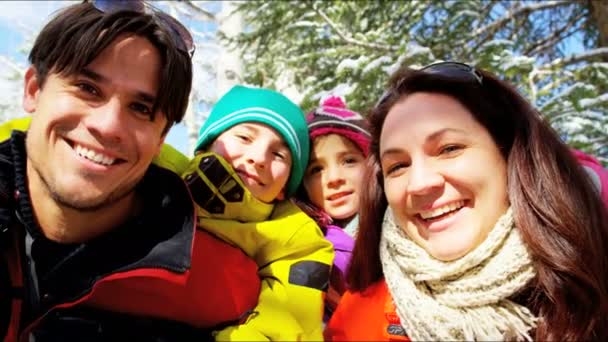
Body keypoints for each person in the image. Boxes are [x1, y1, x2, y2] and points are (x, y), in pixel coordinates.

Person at [0, 2, 262, 340]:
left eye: (140, 108)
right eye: (87, 88)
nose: (108, 127)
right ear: (34, 89)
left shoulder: (217, 289)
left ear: (161, 138)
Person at [325, 62, 608, 341]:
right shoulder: (355, 321)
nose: (421, 183)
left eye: (449, 148)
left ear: (509, 154)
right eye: (398, 166)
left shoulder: (594, 276)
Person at [165, 85, 334, 341]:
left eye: (278, 154)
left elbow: (289, 323)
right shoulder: (158, 171)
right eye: (244, 138)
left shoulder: (296, 238)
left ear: (284, 188)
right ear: (208, 145)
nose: (259, 158)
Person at [294, 96, 370, 321]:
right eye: (316, 170)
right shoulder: (300, 244)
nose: (334, 179)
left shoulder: (406, 225)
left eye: (348, 161)